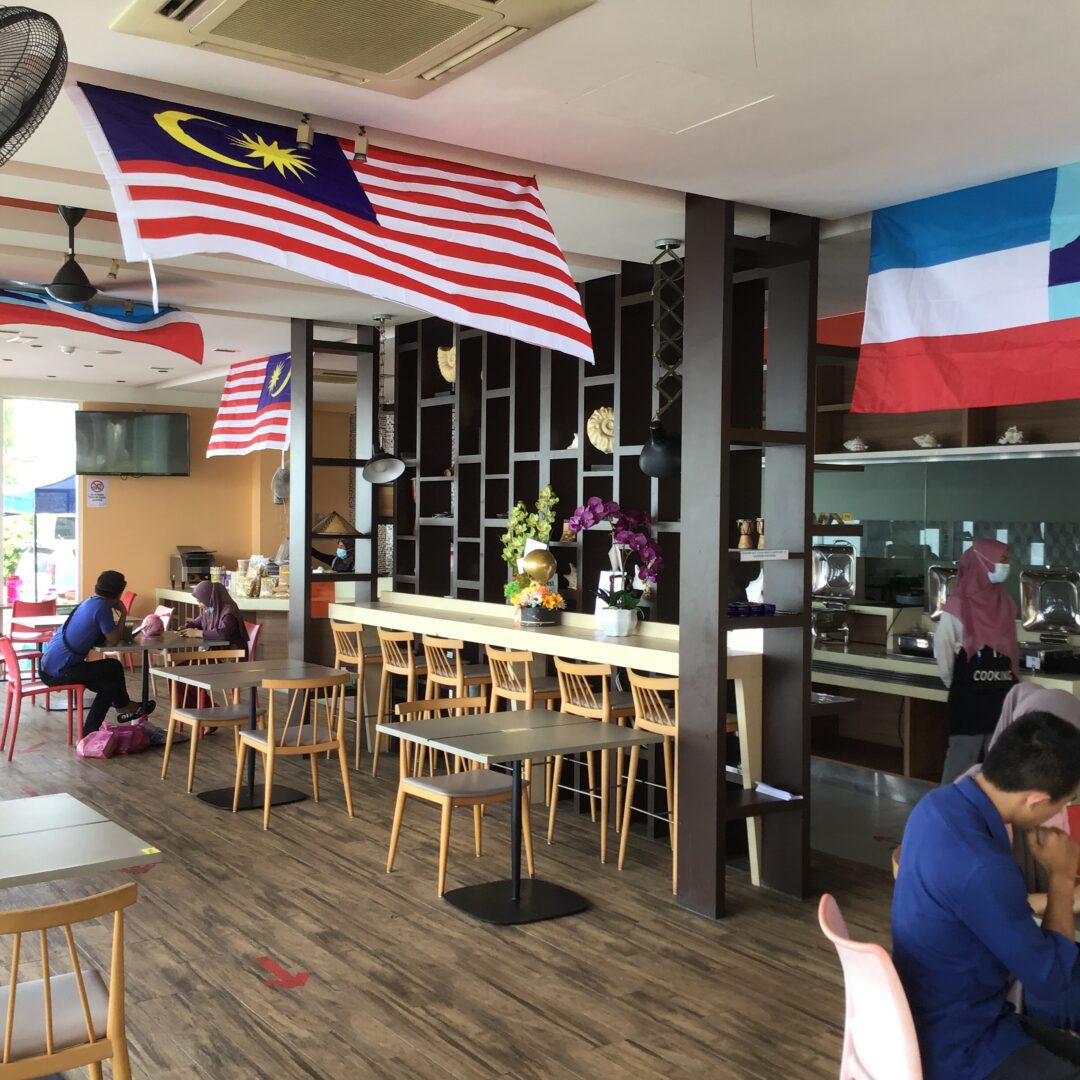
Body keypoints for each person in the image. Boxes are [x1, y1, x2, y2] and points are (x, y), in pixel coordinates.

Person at [893, 712, 1080, 1079]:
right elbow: (1053, 984)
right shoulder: (983, 866)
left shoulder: (936, 805)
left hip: (934, 1016)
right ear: (1036, 800)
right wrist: (1061, 875)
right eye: (1063, 803)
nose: (1061, 813)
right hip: (961, 1046)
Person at [935, 538, 1019, 783]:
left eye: (1006, 560)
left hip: (1001, 695)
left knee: (998, 764)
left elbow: (1011, 645)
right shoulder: (959, 604)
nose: (1005, 566)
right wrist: (955, 683)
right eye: (1001, 560)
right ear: (983, 563)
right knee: (962, 761)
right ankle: (951, 807)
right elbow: (944, 645)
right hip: (969, 699)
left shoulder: (1005, 601)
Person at [39, 570, 152, 734]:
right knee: (113, 666)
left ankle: (89, 733)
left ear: (96, 587)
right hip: (60, 671)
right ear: (119, 593)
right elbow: (113, 640)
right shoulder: (102, 607)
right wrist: (123, 613)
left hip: (49, 667)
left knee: (110, 687)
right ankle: (123, 706)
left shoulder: (90, 602)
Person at [178, 580, 247, 654]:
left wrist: (197, 633)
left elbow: (222, 635)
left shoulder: (229, 613)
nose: (198, 605)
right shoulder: (212, 609)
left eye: (200, 601)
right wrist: (186, 627)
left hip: (234, 655)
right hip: (219, 653)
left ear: (208, 598)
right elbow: (198, 621)